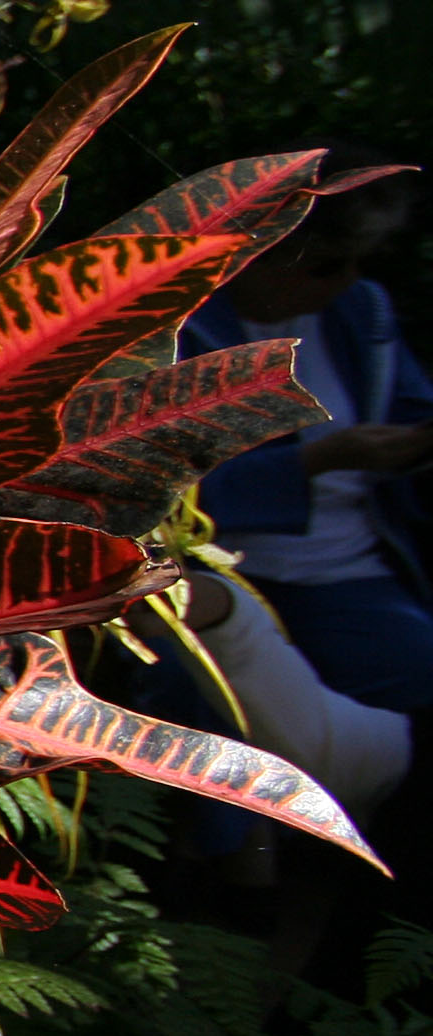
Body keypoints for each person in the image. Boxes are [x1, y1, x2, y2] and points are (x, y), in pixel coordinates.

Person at [181, 147, 433, 712]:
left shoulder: (359, 312)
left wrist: (416, 446)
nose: (348, 281)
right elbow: (158, 494)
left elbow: (412, 412)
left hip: (349, 571)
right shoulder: (179, 334)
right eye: (326, 265)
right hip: (211, 578)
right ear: (256, 256)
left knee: (418, 675)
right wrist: (317, 460)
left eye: (357, 262)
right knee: (209, 710)